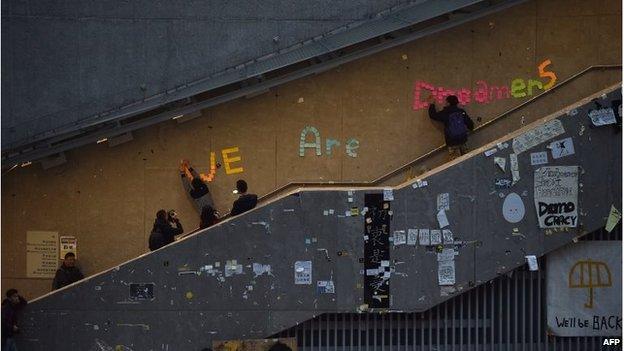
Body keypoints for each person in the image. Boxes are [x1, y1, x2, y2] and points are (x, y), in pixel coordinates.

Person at [428, 94, 475, 160]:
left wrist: (432, 104)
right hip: (463, 139)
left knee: (456, 163)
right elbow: (469, 123)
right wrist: (470, 129)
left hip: (452, 142)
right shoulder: (461, 111)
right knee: (467, 160)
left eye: (446, 102)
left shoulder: (445, 113)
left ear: (448, 103)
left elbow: (433, 115)